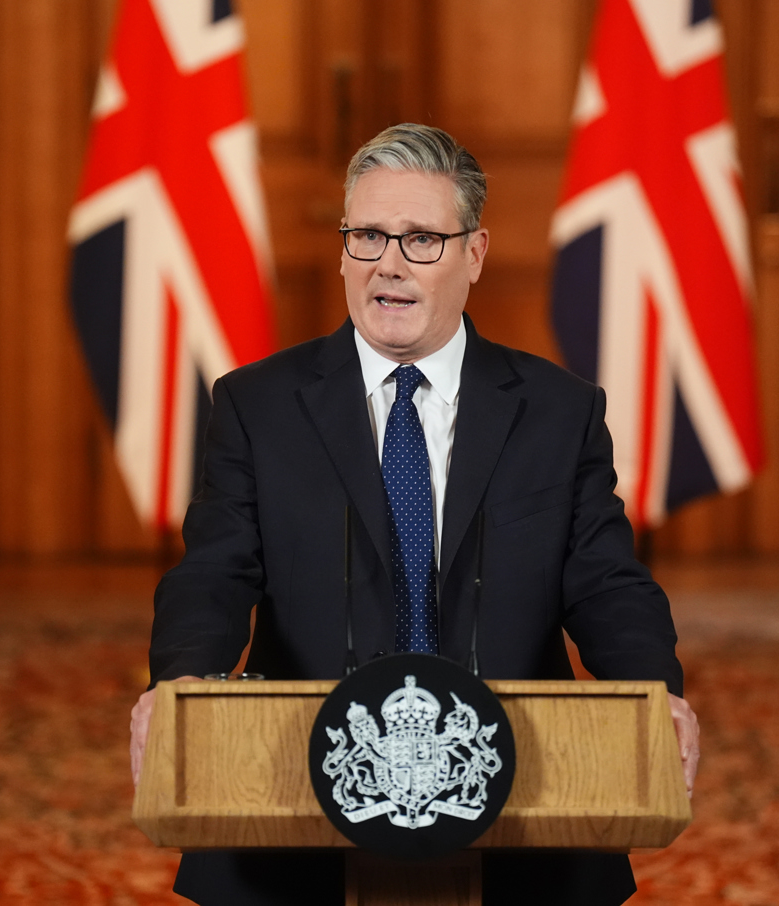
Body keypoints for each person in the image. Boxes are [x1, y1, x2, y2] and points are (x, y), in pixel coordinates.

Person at [130, 123, 700, 906]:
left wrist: (653, 690)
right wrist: (181, 680)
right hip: (296, 788)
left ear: (475, 253)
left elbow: (605, 584)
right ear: (341, 252)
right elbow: (216, 572)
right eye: (367, 236)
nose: (388, 265)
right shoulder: (256, 405)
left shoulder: (559, 413)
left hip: (521, 790)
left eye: (422, 239)